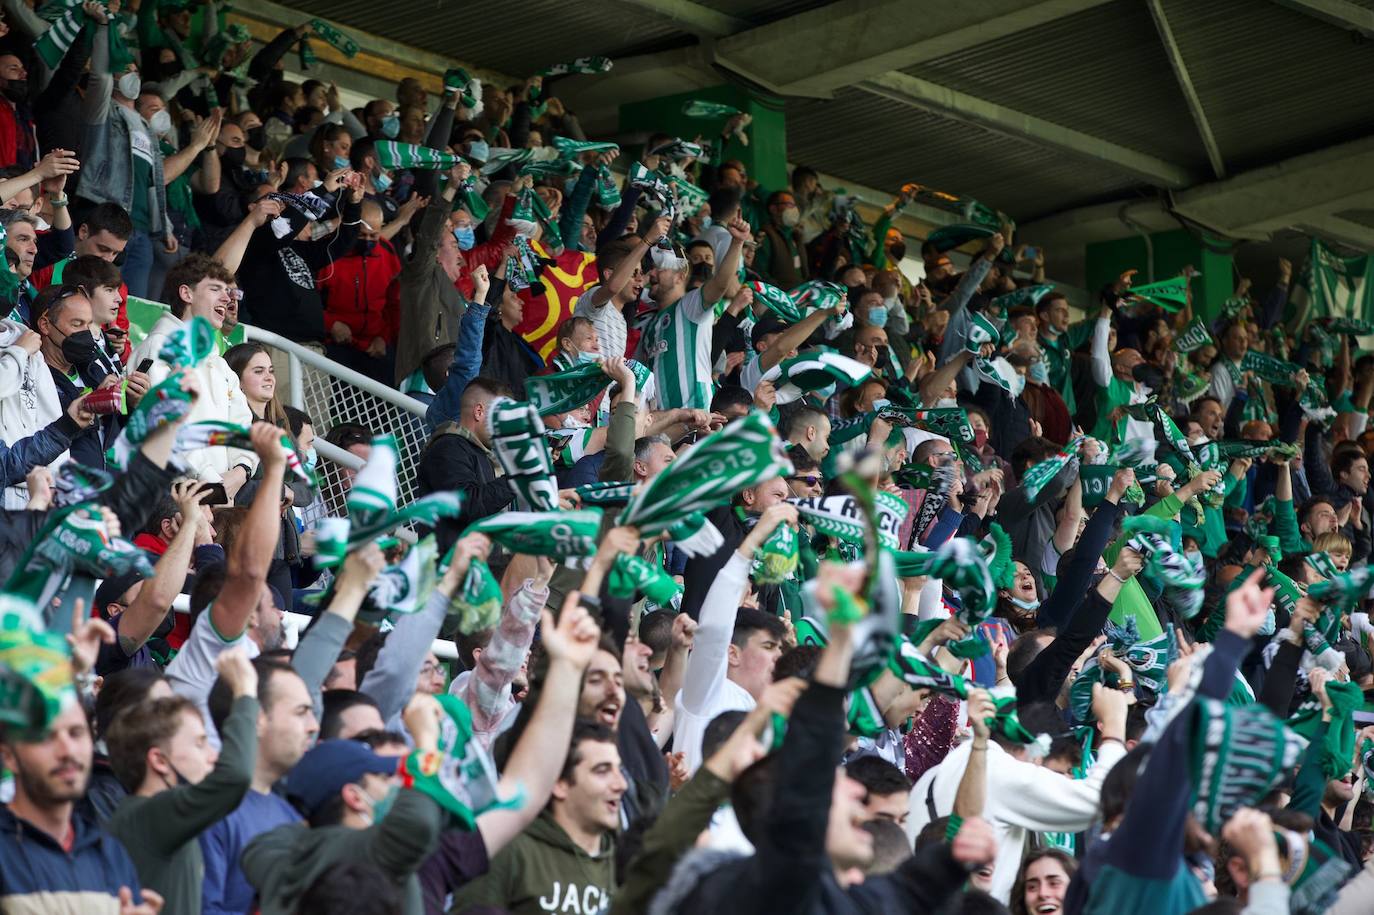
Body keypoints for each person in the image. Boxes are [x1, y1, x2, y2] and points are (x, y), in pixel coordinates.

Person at [105, 649, 260, 915]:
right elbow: (236, 776)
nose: (213, 756)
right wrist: (245, 691)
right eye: (200, 743)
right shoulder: (149, 814)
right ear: (160, 761)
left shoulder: (154, 816)